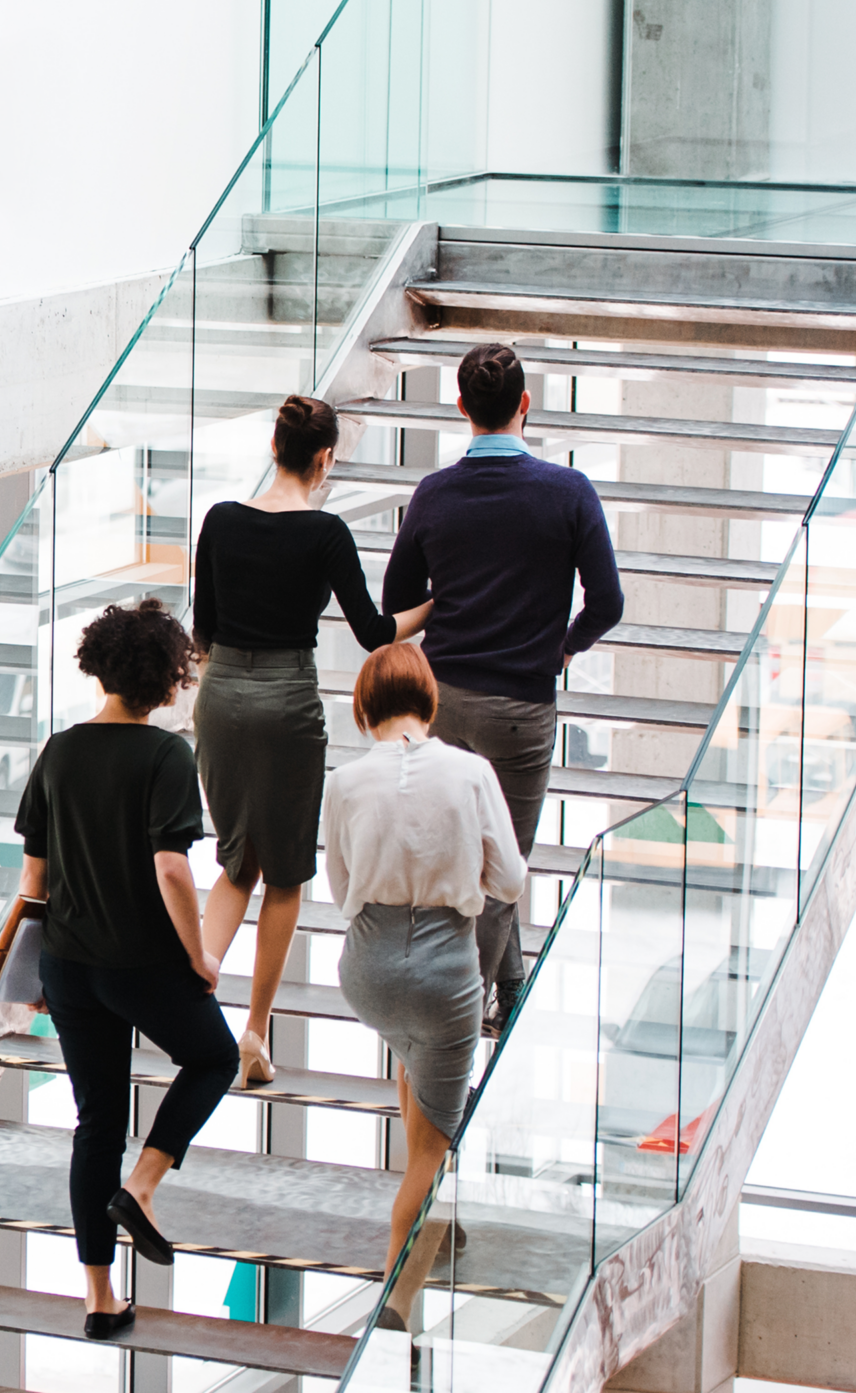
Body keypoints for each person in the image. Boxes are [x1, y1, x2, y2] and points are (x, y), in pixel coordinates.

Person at [12, 597, 238, 1341]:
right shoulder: (166, 755)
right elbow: (172, 869)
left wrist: (33, 979)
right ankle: (142, 1187)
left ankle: (100, 1300)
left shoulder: (58, 750)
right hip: (138, 963)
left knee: (96, 1123)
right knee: (214, 1056)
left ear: (100, 665)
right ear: (167, 679)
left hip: (70, 967)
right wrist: (200, 954)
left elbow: (32, 883)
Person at [380, 343, 622, 1033]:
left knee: (466, 853)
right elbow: (606, 601)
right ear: (525, 404)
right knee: (503, 865)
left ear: (462, 409)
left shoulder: (434, 494)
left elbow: (400, 599)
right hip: (523, 707)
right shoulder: (568, 492)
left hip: (446, 700)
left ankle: (508, 991)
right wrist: (563, 645)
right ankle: (467, 1005)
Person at [193, 395, 429, 1087]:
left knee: (235, 861)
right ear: (323, 457)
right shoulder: (326, 533)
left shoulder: (221, 520)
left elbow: (204, 627)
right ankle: (256, 1034)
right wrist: (438, 604)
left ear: (274, 444)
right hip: (288, 702)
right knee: (286, 873)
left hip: (222, 697)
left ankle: (194, 999)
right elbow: (375, 633)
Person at [321, 643, 526, 1283]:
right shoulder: (470, 773)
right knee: (429, 1157)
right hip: (445, 972)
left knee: (413, 1060)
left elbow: (338, 888)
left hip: (368, 970)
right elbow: (511, 882)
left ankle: (436, 1225)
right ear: (429, 702)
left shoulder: (345, 783)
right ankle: (397, 1305)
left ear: (363, 707)